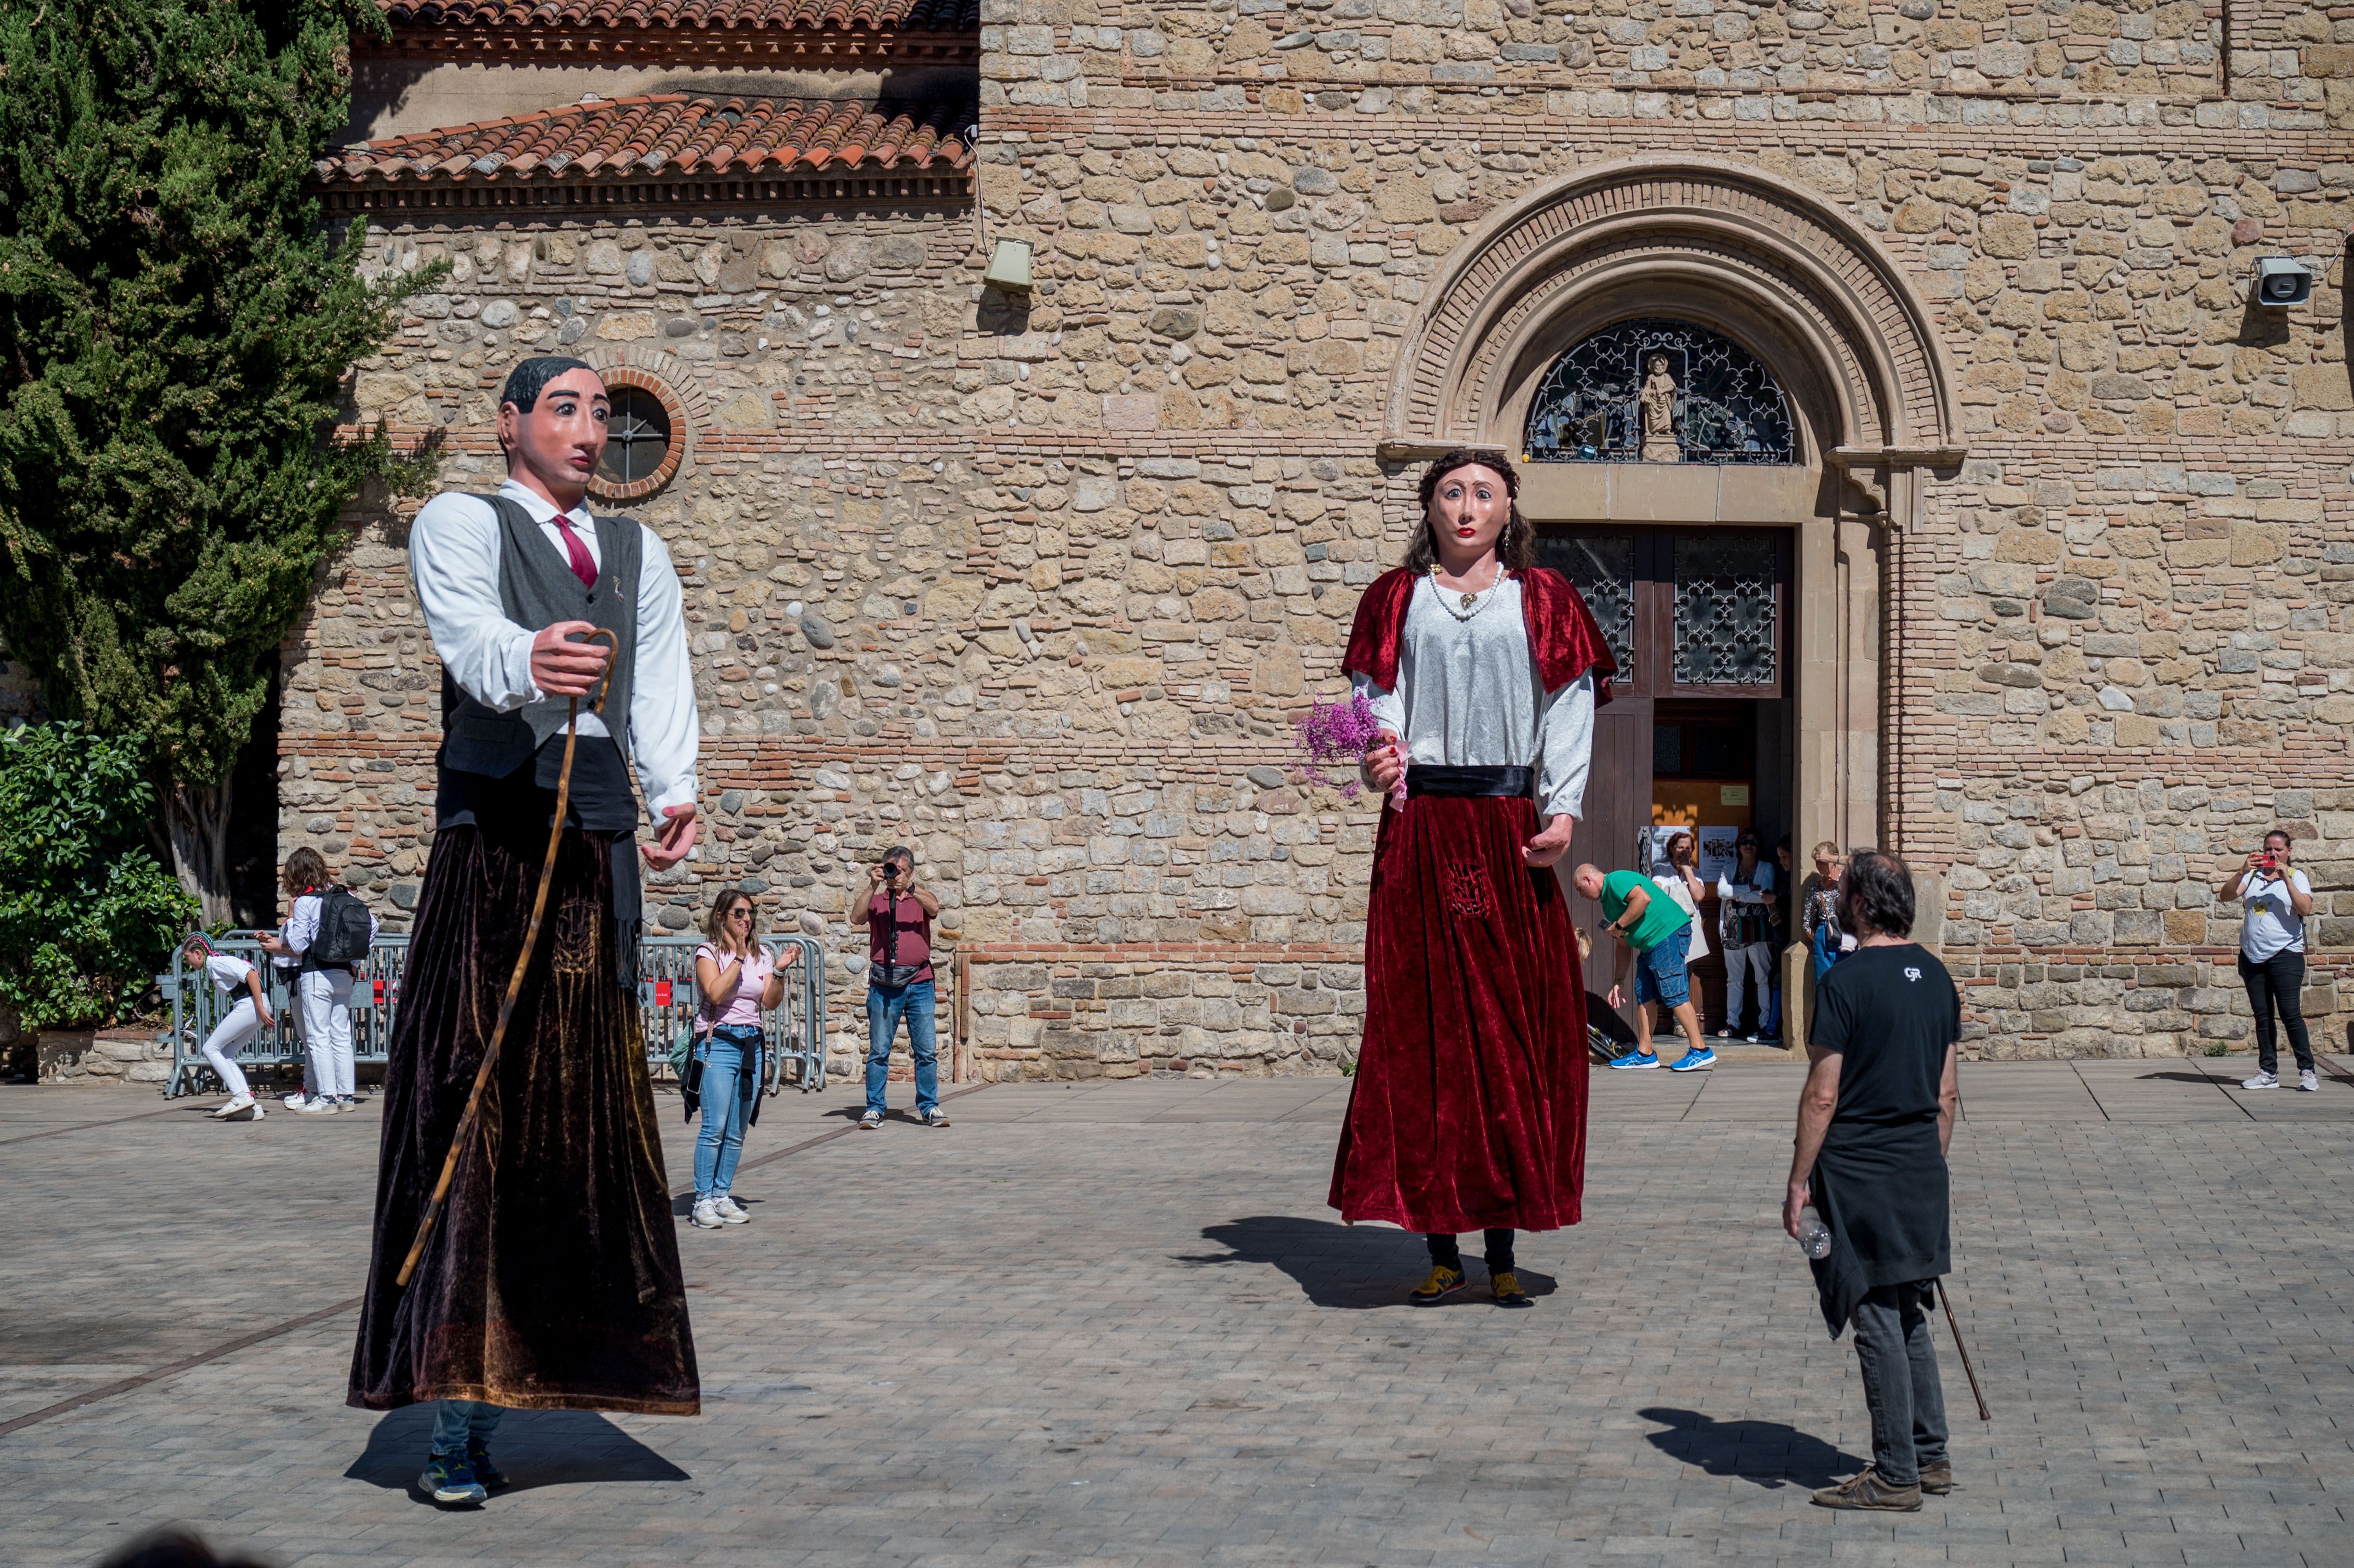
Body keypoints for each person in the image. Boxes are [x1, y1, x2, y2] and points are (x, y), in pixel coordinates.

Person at [348, 357, 703, 1509]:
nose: (591, 430)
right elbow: (469, 638)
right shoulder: (461, 521)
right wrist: (525, 663)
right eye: (566, 407)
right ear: (511, 424)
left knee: (579, 1133)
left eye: (603, 411)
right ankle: (457, 1417)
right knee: (475, 1122)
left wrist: (673, 786)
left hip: (594, 854)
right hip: (496, 852)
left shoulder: (638, 555)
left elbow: (658, 681)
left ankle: (559, 1366)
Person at [1335, 450, 1614, 1309]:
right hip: (1419, 827)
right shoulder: (1392, 597)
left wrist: (1560, 809)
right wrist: (1379, 755)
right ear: (1427, 506)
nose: (1465, 507)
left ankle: (1501, 1245)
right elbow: (1370, 696)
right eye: (1450, 492)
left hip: (1504, 823)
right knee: (1423, 1030)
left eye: (1481, 494)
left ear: (1506, 509)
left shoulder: (1543, 597)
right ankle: (1440, 1247)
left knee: (1505, 1029)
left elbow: (1568, 702)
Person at [1785, 849, 1961, 1511]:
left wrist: (1798, 1183)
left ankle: (1895, 1473)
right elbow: (1946, 1094)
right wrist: (1929, 1166)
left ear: (1857, 904)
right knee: (1909, 1307)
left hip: (1858, 1170)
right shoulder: (1939, 979)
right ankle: (1929, 1454)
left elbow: (1821, 1097)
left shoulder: (1846, 982)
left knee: (1875, 1314)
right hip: (1919, 1164)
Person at [687, 888, 796, 1227]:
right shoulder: (709, 952)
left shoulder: (761, 953)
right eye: (739, 913)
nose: (746, 919)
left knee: (737, 1129)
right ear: (722, 917)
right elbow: (716, 992)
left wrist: (777, 972)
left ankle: (722, 1195)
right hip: (717, 1043)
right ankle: (702, 1201)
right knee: (714, 1126)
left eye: (750, 913)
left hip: (752, 1043)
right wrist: (736, 957)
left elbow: (769, 1002)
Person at [257, 848, 376, 1114]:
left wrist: (286, 930)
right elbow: (373, 925)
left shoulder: (305, 903)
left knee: (318, 1036)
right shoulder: (346, 896)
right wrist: (355, 963)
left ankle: (326, 1099)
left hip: (316, 975)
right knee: (342, 1036)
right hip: (344, 975)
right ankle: (346, 1096)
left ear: (296, 874)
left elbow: (298, 945)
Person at [1575, 861, 1713, 1073]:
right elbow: (1623, 945)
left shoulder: (1616, 880)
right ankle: (1645, 1053)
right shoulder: (1608, 904)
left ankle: (1700, 1050)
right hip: (1650, 946)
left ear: (1588, 879)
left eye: (1580, 889)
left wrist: (1620, 925)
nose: (1580, 894)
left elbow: (1643, 899)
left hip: (1666, 935)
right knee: (1644, 995)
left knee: (1674, 992)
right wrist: (1618, 981)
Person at [849, 845, 947, 1130]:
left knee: (926, 1050)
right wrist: (872, 884)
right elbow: (856, 918)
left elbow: (935, 908)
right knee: (879, 1051)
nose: (895, 876)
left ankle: (929, 1106)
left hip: (919, 983)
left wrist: (911, 887)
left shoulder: (920, 897)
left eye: (900, 871)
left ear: (911, 871)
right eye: (890, 870)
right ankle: (874, 1108)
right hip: (884, 985)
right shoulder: (878, 900)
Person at [2227, 828, 2318, 1092]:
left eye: (2278, 849)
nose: (2272, 853)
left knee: (2291, 1014)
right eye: (2268, 848)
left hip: (2285, 955)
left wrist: (2285, 878)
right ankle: (2268, 1072)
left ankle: (2307, 1071)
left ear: (2289, 852)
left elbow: (2305, 908)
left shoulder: (2297, 876)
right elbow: (2226, 895)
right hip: (2253, 956)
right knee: (2263, 1016)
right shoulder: (2253, 876)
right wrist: (2242, 871)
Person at [182, 935, 274, 1121]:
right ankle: (252, 1107)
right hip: (252, 1005)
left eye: (188, 958)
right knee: (228, 1053)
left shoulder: (217, 963)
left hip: (250, 1005)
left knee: (210, 1048)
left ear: (198, 954)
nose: (188, 962)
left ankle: (240, 1096)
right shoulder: (214, 964)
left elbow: (252, 974)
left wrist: (259, 1008)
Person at [1717, 832, 1776, 1043]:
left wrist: (1737, 893)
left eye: (1754, 842)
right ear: (1738, 846)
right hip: (1733, 931)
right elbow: (1722, 891)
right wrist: (1750, 889)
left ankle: (1765, 1024)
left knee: (1763, 979)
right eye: (1745, 842)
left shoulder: (1766, 868)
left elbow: (1766, 895)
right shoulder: (1729, 867)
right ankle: (1733, 1023)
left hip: (1759, 931)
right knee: (1734, 980)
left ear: (1758, 847)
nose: (1749, 845)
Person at [1802, 839, 1849, 981]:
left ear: (1834, 857)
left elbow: (1863, 863)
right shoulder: (1814, 888)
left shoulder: (1849, 878)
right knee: (1823, 981)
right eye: (1817, 862)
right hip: (1824, 936)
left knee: (1845, 980)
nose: (1818, 866)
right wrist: (1819, 938)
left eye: (1822, 861)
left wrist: (1832, 858)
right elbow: (1807, 923)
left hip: (1847, 934)